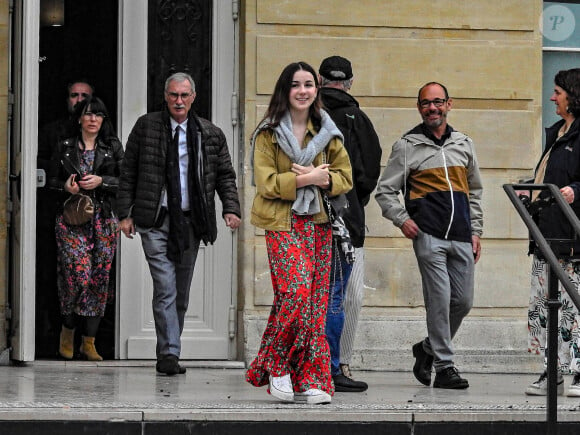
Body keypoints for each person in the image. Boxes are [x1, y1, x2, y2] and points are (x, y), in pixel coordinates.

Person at [117, 72, 241, 376]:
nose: (179, 101)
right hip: (154, 219)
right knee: (165, 287)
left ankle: (171, 346)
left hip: (190, 222)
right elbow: (128, 171)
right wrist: (124, 213)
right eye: (173, 95)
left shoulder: (210, 134)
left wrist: (230, 208)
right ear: (165, 96)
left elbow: (225, 174)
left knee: (180, 293)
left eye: (184, 95)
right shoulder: (146, 127)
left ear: (194, 97)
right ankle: (169, 353)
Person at [245, 61, 353, 405]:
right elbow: (266, 183)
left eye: (309, 84)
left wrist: (327, 179)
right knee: (295, 293)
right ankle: (276, 365)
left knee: (314, 304)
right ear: (285, 90)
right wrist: (308, 178)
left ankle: (311, 377)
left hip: (319, 224)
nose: (303, 90)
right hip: (282, 222)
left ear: (316, 89)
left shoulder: (327, 130)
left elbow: (345, 177)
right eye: (296, 84)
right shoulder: (267, 132)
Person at [375, 82, 483, 389]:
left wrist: (476, 231)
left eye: (437, 102)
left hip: (462, 235)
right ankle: (444, 365)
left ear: (449, 104)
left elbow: (474, 191)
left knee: (462, 301)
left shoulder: (464, 143)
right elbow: (385, 192)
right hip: (428, 236)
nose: (432, 108)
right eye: (425, 103)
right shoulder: (407, 146)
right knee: (439, 300)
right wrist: (402, 220)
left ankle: (425, 348)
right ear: (419, 107)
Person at [318, 55, 382, 392]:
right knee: (348, 295)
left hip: (311, 218)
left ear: (319, 79)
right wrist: (357, 200)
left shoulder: (309, 116)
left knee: (314, 294)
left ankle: (312, 365)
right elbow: (370, 169)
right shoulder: (359, 119)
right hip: (348, 221)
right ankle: (339, 364)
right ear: (350, 82)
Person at [48, 96, 124, 361]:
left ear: (103, 121)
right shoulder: (65, 146)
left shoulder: (112, 148)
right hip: (71, 221)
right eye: (88, 114)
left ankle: (88, 342)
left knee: (98, 280)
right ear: (79, 117)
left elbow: (125, 180)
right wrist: (65, 187)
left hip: (102, 220)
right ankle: (68, 329)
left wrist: (102, 181)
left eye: (98, 115)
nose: (93, 119)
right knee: (77, 277)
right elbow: (49, 180)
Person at [524, 68, 580, 397]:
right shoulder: (556, 134)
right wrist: (529, 193)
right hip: (547, 236)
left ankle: (578, 371)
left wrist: (574, 190)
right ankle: (552, 371)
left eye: (557, 91)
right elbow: (548, 180)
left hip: (574, 241)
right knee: (545, 307)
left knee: (574, 308)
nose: (552, 97)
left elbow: (572, 184)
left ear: (573, 95)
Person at [36, 80, 94, 356]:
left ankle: (90, 338)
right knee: (59, 276)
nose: (79, 101)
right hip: (57, 214)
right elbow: (39, 168)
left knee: (93, 278)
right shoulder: (52, 132)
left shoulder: (105, 137)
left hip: (95, 220)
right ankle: (58, 332)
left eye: (85, 96)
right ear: (66, 99)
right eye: (74, 95)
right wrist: (63, 182)